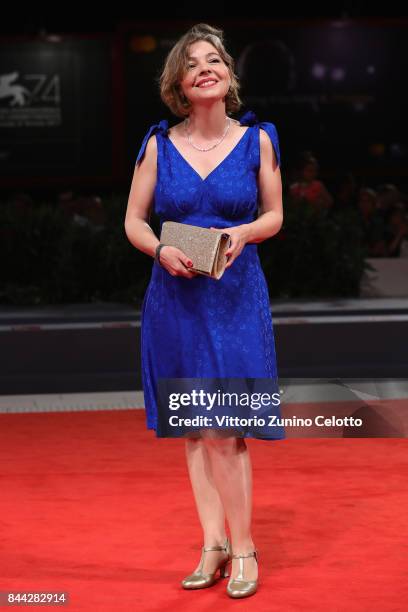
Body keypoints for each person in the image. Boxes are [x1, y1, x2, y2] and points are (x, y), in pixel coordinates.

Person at [124, 23, 284, 599]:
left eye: (213, 59)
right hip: (176, 296)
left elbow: (274, 216)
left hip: (237, 296)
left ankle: (244, 549)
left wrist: (242, 234)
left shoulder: (258, 139)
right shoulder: (158, 145)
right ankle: (212, 543)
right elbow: (133, 221)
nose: (204, 68)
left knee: (225, 430)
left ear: (228, 74)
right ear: (179, 84)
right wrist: (160, 249)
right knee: (195, 428)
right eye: (192, 64)